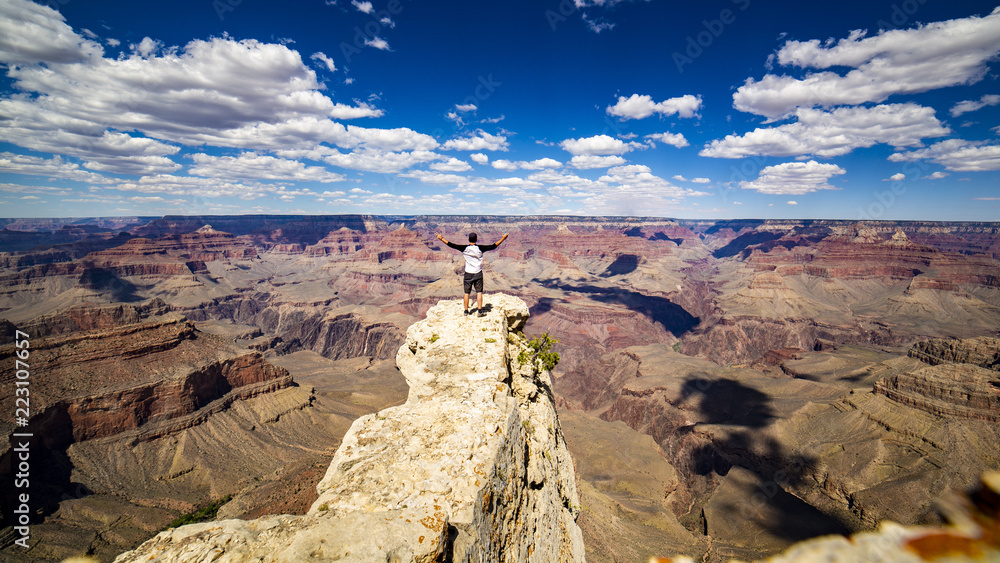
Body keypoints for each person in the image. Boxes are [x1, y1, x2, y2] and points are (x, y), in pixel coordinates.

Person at [436, 231, 509, 316]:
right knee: (479, 292)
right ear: (477, 239)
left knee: (467, 293)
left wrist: (441, 239)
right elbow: (493, 246)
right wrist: (503, 238)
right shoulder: (480, 248)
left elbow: (452, 245)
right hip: (478, 273)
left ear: (468, 239)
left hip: (468, 273)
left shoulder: (465, 248)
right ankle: (479, 311)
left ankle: (466, 311)